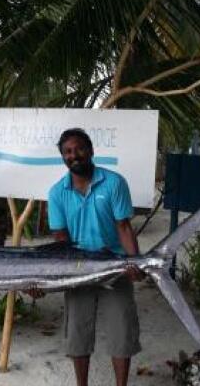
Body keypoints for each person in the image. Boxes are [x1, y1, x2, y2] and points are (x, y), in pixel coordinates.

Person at [47, 128, 144, 386]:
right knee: (77, 334)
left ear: (90, 150)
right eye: (67, 152)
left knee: (121, 331)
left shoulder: (114, 182)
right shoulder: (57, 193)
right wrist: (55, 275)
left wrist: (134, 261)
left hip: (115, 266)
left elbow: (124, 227)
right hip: (77, 270)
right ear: (62, 157)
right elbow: (60, 238)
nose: (74, 155)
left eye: (78, 149)